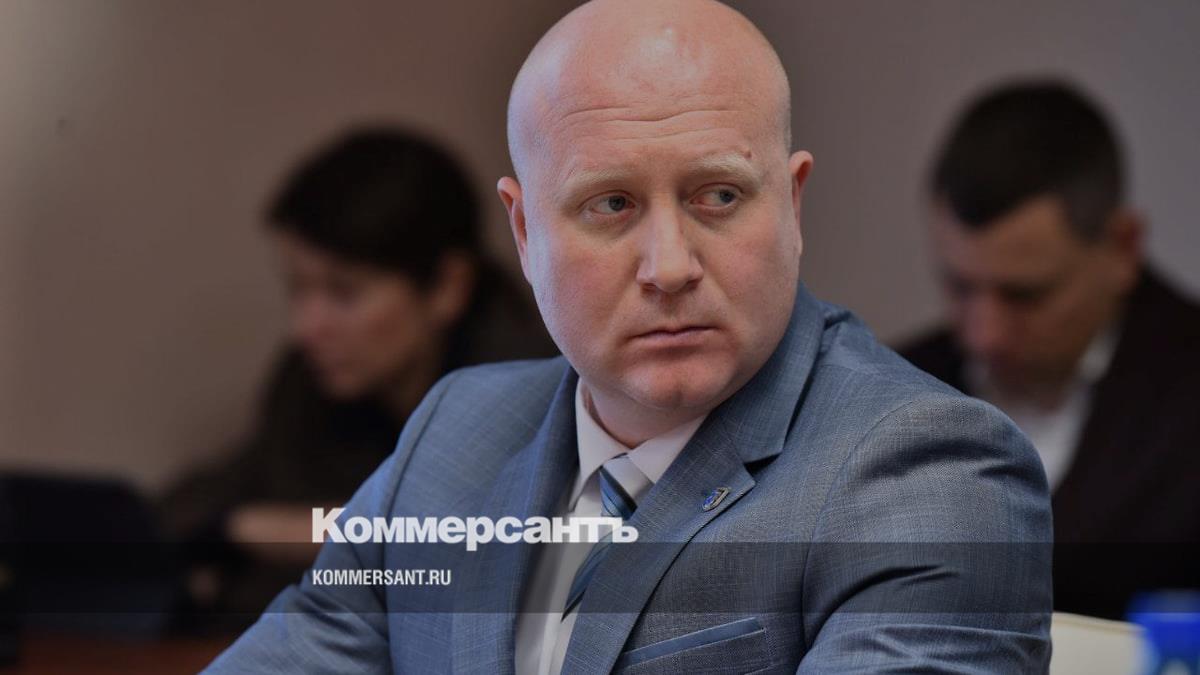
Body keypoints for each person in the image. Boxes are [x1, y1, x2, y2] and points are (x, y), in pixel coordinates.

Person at [208, 1, 1052, 671]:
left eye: (718, 196)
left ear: (792, 206)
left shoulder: (929, 476)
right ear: (525, 232)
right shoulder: (452, 432)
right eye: (610, 204)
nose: (670, 266)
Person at [161, 128, 556, 625]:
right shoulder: (311, 382)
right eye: (298, 290)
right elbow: (196, 505)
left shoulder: (535, 385)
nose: (306, 328)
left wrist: (280, 530)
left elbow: (478, 544)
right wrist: (247, 526)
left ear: (447, 287)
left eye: (343, 293)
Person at [901, 81, 1200, 619]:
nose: (984, 335)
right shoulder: (895, 383)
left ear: (1123, 246)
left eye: (1026, 296)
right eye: (960, 288)